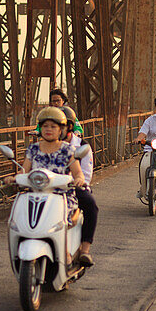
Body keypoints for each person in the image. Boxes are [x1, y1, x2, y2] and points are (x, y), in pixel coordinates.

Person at [5, 107, 91, 264]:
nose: (49, 130)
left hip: (61, 196)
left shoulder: (68, 150)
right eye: (45, 126)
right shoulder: (34, 148)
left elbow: (77, 172)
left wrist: (79, 179)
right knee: (18, 216)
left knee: (61, 219)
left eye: (53, 126)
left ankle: (64, 249)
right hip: (35, 194)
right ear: (40, 129)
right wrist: (14, 178)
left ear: (61, 130)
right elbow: (24, 169)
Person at [61, 105, 96, 266]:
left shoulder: (82, 145)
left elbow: (86, 173)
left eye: (58, 125)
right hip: (50, 188)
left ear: (69, 126)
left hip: (72, 187)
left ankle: (85, 249)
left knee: (90, 205)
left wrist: (80, 181)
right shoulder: (46, 145)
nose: (54, 129)